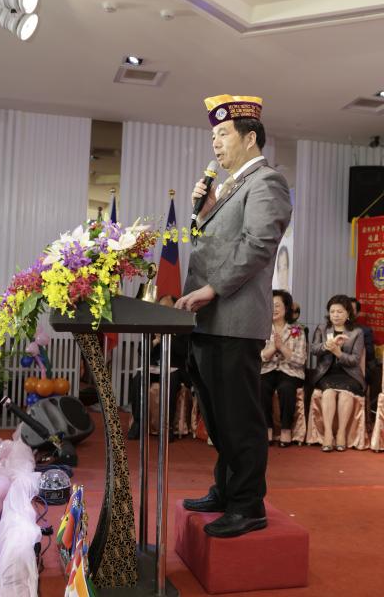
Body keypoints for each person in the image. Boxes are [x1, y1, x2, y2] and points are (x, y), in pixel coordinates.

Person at [175, 94, 292, 538]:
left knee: (239, 418)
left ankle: (247, 505)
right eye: (213, 136)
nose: (216, 144)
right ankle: (226, 490)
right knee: (218, 415)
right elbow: (217, 246)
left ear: (250, 137)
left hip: (235, 321)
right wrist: (206, 213)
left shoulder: (267, 182)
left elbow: (258, 245)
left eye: (223, 134)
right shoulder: (229, 188)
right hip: (210, 320)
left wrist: (212, 289)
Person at [127, 294, 190, 441]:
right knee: (138, 379)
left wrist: (167, 337)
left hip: (175, 370)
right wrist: (155, 341)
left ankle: (166, 428)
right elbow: (141, 351)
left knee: (171, 380)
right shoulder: (153, 325)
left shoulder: (182, 326)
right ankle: (138, 423)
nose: (163, 310)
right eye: (161, 307)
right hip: (154, 368)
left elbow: (184, 351)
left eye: (167, 307)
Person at [311, 294, 366, 452]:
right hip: (326, 373)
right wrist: (327, 346)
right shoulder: (322, 329)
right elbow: (313, 349)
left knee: (345, 394)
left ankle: (341, 433)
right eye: (332, 311)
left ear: (348, 313)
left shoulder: (357, 332)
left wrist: (338, 353)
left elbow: (355, 360)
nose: (335, 315)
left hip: (350, 374)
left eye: (340, 312)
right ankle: (328, 434)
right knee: (328, 392)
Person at [261, 290, 307, 447]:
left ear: (286, 308)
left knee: (286, 388)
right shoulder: (261, 328)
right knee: (261, 386)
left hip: (290, 371)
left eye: (277, 305)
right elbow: (256, 358)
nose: (273, 309)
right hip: (267, 369)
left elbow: (300, 360)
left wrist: (282, 348)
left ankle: (286, 430)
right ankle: (267, 428)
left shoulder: (298, 330)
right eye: (270, 305)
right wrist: (272, 348)